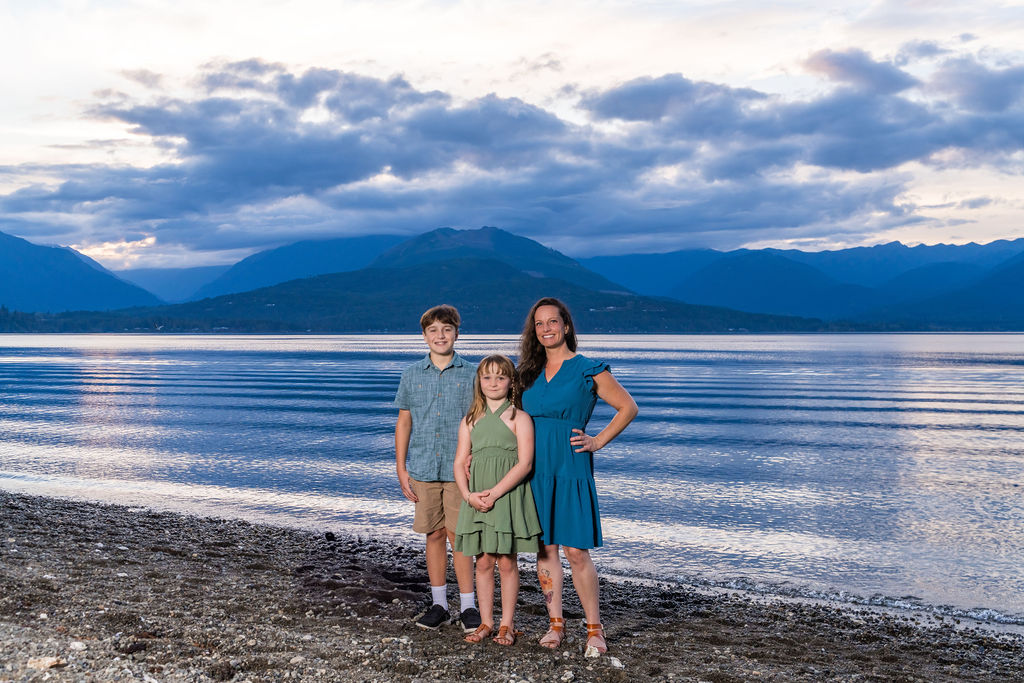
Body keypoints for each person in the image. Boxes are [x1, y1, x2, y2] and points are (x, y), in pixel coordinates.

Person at [518, 297, 638, 655]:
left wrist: (598, 440)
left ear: (566, 326)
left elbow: (628, 407)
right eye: (539, 324)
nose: (546, 329)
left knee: (576, 550)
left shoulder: (588, 368)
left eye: (552, 322)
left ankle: (595, 630)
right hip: (533, 466)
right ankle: (556, 624)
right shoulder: (527, 371)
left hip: (570, 465)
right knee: (545, 546)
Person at [394, 304, 481, 632]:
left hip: (462, 471)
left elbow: (481, 420)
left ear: (457, 333)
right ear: (424, 336)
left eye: (446, 329)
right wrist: (401, 468)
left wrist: (478, 453)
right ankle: (439, 604)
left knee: (461, 537)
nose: (440, 335)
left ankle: (469, 607)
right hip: (424, 467)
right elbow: (404, 423)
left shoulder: (473, 373)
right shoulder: (411, 374)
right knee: (433, 534)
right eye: (433, 330)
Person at [453, 355, 542, 646]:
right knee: (483, 562)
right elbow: (458, 463)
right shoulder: (470, 420)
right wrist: (468, 495)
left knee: (506, 561)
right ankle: (486, 622)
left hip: (506, 496)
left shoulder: (520, 418)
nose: (493, 383)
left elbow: (525, 464)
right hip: (476, 497)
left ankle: (507, 624)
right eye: (487, 377)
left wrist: (495, 493)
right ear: (479, 382)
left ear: (511, 382)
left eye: (500, 377)